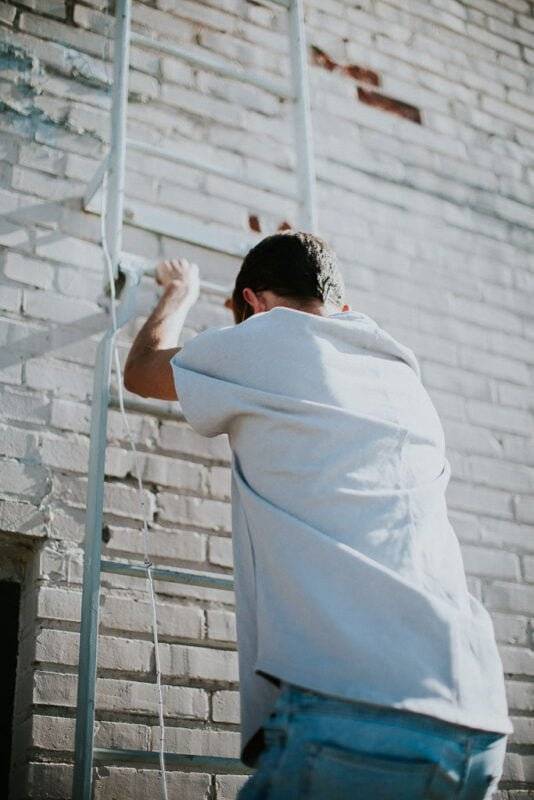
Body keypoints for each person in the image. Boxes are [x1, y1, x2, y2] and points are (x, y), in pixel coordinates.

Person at [124, 232, 513, 799]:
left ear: (252, 303)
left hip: (356, 712)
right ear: (342, 309)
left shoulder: (262, 338)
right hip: (475, 719)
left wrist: (181, 292)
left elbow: (140, 371)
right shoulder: (399, 371)